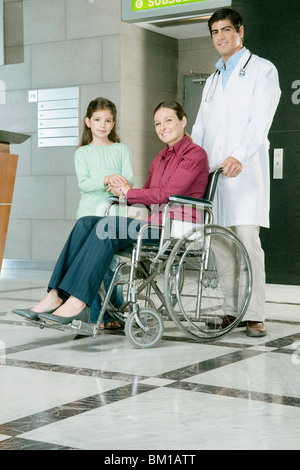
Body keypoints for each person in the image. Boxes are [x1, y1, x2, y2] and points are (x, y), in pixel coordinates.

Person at [13, 101, 209, 325]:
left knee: (108, 227)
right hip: (155, 225)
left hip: (176, 230)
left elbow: (166, 194)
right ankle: (55, 296)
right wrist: (121, 193)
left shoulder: (195, 155)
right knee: (86, 223)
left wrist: (130, 192)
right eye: (157, 123)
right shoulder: (161, 157)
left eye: (168, 120)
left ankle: (78, 302)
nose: (162, 127)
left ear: (183, 121)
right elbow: (146, 194)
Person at [191, 8, 281, 337]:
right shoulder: (213, 80)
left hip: (244, 174)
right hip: (215, 175)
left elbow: (260, 121)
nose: (221, 37)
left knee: (247, 240)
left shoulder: (262, 70)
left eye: (226, 30)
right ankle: (230, 310)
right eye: (215, 32)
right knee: (219, 244)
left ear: (240, 31)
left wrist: (239, 155)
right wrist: (193, 162)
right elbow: (200, 128)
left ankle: (255, 313)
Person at [75, 97, 134, 329]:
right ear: (88, 122)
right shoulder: (82, 153)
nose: (103, 125)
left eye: (108, 120)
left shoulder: (121, 149)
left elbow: (129, 178)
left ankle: (115, 311)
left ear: (113, 124)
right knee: (90, 266)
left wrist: (120, 185)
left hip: (115, 215)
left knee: (110, 266)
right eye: (98, 120)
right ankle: (96, 315)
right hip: (88, 215)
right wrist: (106, 179)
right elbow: (85, 184)